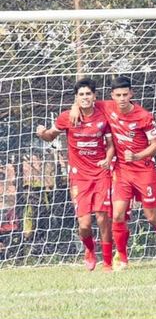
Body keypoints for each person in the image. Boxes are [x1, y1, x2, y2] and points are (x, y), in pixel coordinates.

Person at [70, 76, 156, 269]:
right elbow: (85, 100)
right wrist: (74, 107)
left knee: (151, 216)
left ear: (131, 94)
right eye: (118, 95)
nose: (121, 98)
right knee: (118, 215)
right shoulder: (107, 107)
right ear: (112, 96)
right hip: (121, 171)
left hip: (144, 171)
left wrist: (137, 156)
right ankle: (122, 257)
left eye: (125, 94)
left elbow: (155, 145)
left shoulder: (144, 116)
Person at [37, 78, 114, 271]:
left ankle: (107, 261)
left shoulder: (103, 116)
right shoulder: (66, 117)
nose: (85, 97)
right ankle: (89, 250)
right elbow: (50, 136)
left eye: (88, 94)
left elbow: (111, 145)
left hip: (101, 173)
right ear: (76, 98)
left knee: (103, 218)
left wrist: (108, 159)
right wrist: (41, 133)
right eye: (81, 95)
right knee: (85, 224)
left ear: (94, 96)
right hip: (79, 177)